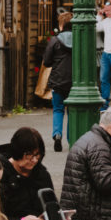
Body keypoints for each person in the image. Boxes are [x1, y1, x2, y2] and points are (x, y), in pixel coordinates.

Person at [0, 128, 54, 220]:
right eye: (29, 155)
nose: (34, 160)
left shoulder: (41, 174)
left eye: (37, 155)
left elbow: (52, 203)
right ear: (17, 152)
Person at [42, 11, 73, 152]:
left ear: (61, 24)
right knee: (72, 111)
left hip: (58, 80)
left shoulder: (54, 41)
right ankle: (71, 139)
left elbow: (47, 62)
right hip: (75, 82)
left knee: (58, 109)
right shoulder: (79, 39)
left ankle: (57, 134)